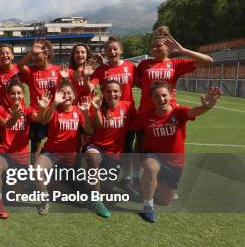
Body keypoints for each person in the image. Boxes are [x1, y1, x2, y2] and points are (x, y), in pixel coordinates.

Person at [132, 82, 221, 223]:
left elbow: (194, 112)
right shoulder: (145, 116)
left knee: (165, 201)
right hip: (152, 155)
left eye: (164, 95)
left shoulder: (178, 112)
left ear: (171, 96)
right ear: (151, 99)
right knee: (150, 168)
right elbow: (131, 128)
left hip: (174, 161)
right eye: (156, 96)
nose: (161, 99)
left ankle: (153, 185)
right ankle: (148, 206)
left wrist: (206, 107)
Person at [33, 81, 94, 214]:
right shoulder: (54, 109)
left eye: (69, 93)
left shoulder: (79, 110)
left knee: (73, 190)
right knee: (37, 171)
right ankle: (45, 201)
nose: (66, 95)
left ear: (74, 95)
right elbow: (44, 121)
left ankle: (65, 188)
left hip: (69, 159)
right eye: (63, 93)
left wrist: (84, 114)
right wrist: (53, 104)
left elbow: (89, 130)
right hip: (51, 153)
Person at [92, 37, 140, 191]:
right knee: (108, 143)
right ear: (105, 53)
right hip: (108, 113)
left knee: (127, 147)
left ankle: (127, 178)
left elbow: (142, 83)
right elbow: (90, 86)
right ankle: (101, 171)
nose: (112, 52)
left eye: (115, 49)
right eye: (108, 50)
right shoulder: (101, 69)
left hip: (127, 113)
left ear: (121, 51)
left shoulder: (130, 67)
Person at [83, 80, 137, 218]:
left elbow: (142, 120)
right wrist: (95, 110)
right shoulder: (98, 106)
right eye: (108, 91)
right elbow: (94, 128)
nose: (112, 94)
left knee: (107, 191)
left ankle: (86, 184)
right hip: (96, 146)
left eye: (115, 91)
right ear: (103, 93)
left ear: (121, 92)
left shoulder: (128, 106)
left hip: (114, 154)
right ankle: (95, 200)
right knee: (93, 158)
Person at [0, 82, 43, 219]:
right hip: (4, 152)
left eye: (19, 93)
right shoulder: (2, 109)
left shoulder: (28, 110)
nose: (16, 96)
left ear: (23, 95)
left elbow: (40, 118)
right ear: (7, 95)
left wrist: (42, 108)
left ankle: (2, 183)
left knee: (13, 197)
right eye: (12, 93)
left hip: (21, 156)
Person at [137, 26, 213, 113]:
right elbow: (137, 82)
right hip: (146, 110)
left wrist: (182, 50)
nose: (154, 48)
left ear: (168, 47)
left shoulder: (175, 64)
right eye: (152, 46)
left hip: (168, 110)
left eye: (158, 46)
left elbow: (208, 61)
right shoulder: (144, 64)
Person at [18, 39, 67, 156]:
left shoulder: (58, 70)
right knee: (36, 147)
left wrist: (65, 79)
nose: (33, 58)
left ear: (46, 54)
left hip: (55, 113)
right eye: (33, 55)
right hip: (37, 114)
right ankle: (35, 171)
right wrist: (31, 52)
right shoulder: (31, 71)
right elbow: (20, 66)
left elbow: (68, 87)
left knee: (57, 143)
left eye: (36, 55)